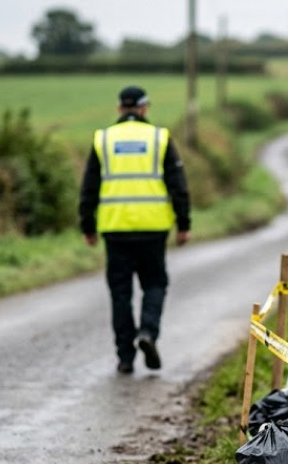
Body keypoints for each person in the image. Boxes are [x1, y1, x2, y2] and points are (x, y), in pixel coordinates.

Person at [79, 85, 191, 374]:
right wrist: (184, 223)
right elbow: (177, 185)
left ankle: (125, 357)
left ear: (119, 109)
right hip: (153, 227)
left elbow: (89, 187)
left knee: (120, 293)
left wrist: (87, 225)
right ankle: (148, 333)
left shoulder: (103, 139)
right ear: (144, 108)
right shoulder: (159, 138)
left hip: (115, 228)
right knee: (154, 284)